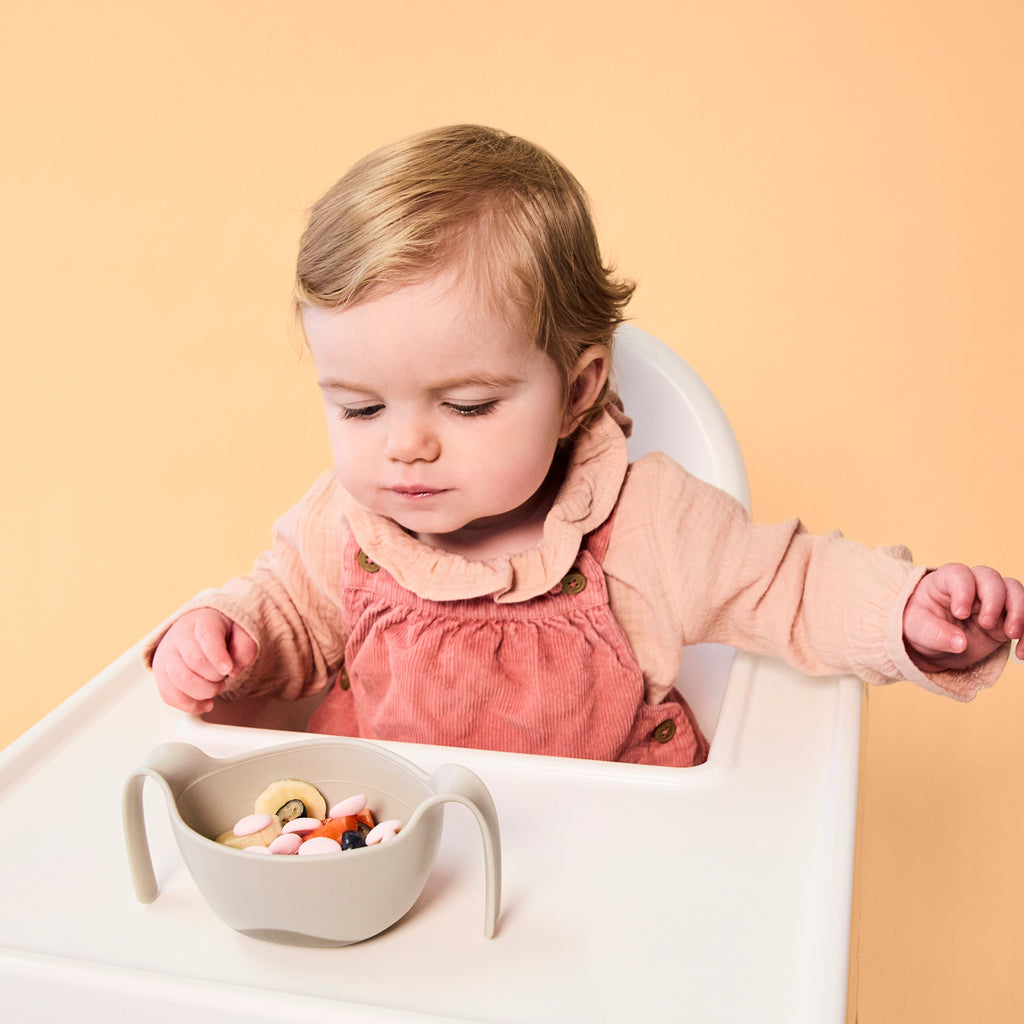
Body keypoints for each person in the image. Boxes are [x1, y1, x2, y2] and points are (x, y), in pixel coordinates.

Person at [146, 124, 1023, 767]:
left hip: (606, 867)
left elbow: (790, 585)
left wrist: (904, 612)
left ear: (576, 391)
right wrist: (224, 635)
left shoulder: (646, 523)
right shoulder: (349, 525)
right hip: (388, 850)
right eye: (361, 409)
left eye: (467, 405)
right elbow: (287, 611)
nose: (405, 447)